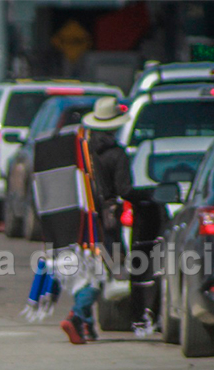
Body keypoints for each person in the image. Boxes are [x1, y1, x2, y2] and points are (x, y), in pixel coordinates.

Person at [60, 97, 131, 344]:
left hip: (76, 220)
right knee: (102, 273)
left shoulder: (80, 150)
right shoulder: (117, 154)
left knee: (84, 271)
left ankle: (87, 327)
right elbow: (125, 189)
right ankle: (77, 316)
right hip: (105, 222)